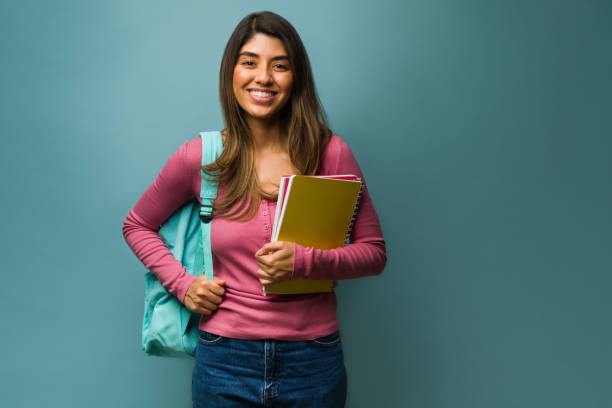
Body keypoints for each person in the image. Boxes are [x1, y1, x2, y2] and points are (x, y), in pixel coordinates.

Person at [122, 11, 386, 407]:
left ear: (296, 77)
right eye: (249, 62)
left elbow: (374, 253)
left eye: (279, 66)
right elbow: (137, 224)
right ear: (231, 72)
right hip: (224, 359)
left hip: (313, 361)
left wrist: (304, 262)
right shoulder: (203, 156)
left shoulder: (331, 153)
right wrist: (184, 285)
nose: (263, 77)